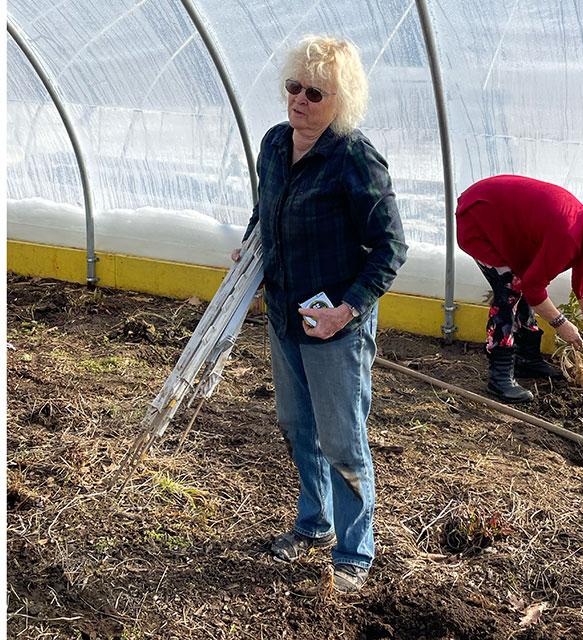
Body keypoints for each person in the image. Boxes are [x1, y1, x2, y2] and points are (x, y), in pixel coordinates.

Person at [231, 35, 407, 593]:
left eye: (315, 91)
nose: (299, 100)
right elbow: (268, 213)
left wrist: (346, 311)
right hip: (285, 313)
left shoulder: (353, 158)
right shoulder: (274, 145)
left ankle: (355, 551)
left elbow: (390, 247)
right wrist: (250, 247)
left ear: (341, 100)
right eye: (292, 86)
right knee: (296, 423)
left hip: (335, 326)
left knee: (342, 435)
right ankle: (314, 522)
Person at [455, 174, 583, 403]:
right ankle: (499, 377)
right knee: (510, 291)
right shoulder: (568, 236)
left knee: (521, 280)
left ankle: (527, 359)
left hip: (504, 221)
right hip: (479, 219)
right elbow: (533, 288)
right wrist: (561, 324)